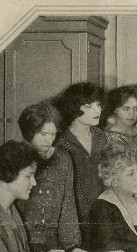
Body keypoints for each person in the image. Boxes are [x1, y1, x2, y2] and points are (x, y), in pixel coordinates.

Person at [16, 102, 82, 252]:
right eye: (43, 134)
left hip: (53, 243)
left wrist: (71, 247)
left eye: (53, 134)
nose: (49, 140)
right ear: (30, 132)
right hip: (23, 241)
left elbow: (68, 203)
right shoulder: (17, 156)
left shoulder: (63, 158)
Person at [52, 82, 108, 240]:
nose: (97, 110)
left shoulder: (100, 136)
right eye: (89, 106)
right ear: (74, 107)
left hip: (101, 213)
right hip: (73, 217)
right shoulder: (60, 141)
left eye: (98, 104)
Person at [102, 84, 137, 194]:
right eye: (126, 109)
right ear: (115, 109)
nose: (132, 114)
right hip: (117, 194)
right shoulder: (104, 137)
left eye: (136, 109)